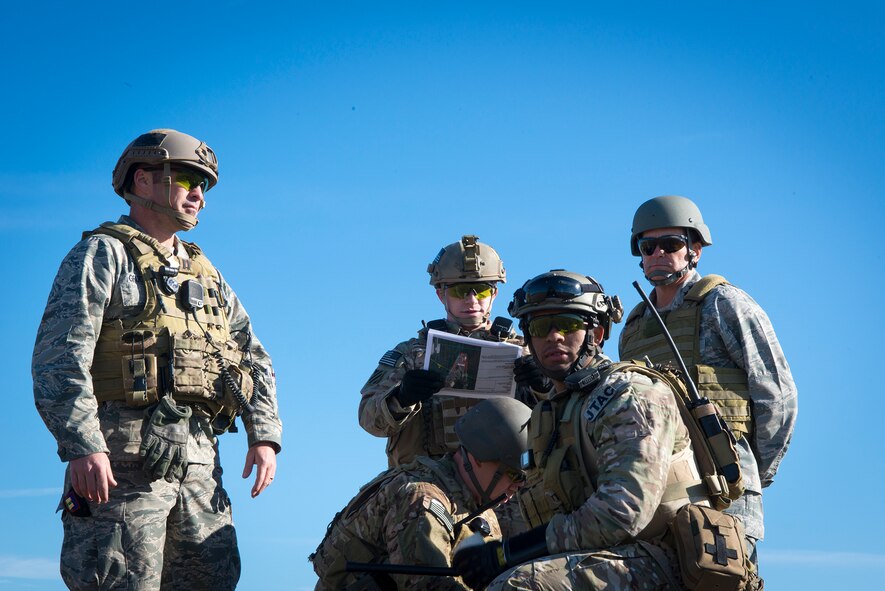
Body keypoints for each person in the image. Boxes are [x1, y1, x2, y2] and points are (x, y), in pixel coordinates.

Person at [32, 129, 283, 590]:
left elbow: (254, 356)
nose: (199, 197)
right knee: (123, 582)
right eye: (188, 180)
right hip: (122, 466)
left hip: (201, 466)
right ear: (143, 181)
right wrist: (83, 445)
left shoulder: (207, 274)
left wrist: (263, 434)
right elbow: (59, 358)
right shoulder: (101, 255)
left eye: (205, 186)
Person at [452, 270, 755, 591]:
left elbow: (622, 512)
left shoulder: (631, 394)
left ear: (596, 333)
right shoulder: (554, 409)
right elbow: (540, 506)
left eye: (568, 324)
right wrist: (475, 542)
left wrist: (506, 554)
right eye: (541, 327)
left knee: (519, 586)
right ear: (528, 338)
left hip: (666, 557)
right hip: (607, 553)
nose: (553, 336)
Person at [619, 195, 797, 565]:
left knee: (722, 578)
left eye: (670, 244)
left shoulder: (724, 304)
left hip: (723, 490)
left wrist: (749, 474)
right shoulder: (634, 327)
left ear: (694, 248)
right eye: (647, 245)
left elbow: (777, 397)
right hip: (655, 492)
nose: (657, 254)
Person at [359, 235, 539, 536]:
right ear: (441, 294)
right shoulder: (410, 355)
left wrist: (541, 388)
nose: (472, 300)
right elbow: (368, 418)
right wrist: (401, 398)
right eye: (459, 291)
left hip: (510, 499)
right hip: (429, 495)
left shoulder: (526, 353)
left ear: (493, 294)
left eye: (481, 290)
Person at [310, 397, 533, 591]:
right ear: (478, 458)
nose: (518, 486)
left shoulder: (482, 510)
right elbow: (426, 585)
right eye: (514, 475)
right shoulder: (421, 498)